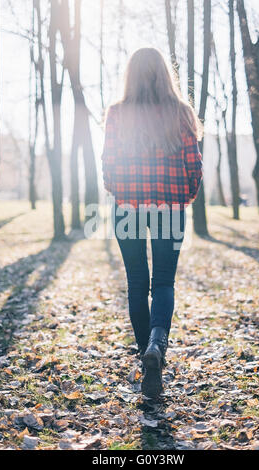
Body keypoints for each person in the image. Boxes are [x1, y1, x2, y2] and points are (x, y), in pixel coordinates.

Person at [101, 47, 203, 398]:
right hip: (169, 208)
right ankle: (156, 348)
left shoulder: (116, 113)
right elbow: (194, 166)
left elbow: (109, 165)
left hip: (127, 207)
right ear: (165, 74)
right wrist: (182, 199)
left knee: (136, 284)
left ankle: (149, 357)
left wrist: (121, 192)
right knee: (162, 283)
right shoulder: (181, 112)